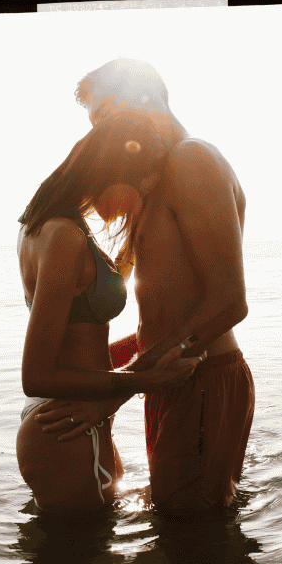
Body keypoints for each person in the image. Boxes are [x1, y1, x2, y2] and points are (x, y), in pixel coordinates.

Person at [34, 58, 253, 514]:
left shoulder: (193, 160)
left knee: (192, 530)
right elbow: (166, 314)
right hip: (169, 377)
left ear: (141, 99)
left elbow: (229, 303)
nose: (97, 133)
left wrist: (121, 390)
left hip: (201, 377)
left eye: (102, 115)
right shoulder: (154, 179)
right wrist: (93, 372)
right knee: (173, 521)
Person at [16, 111, 204, 511]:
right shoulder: (64, 236)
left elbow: (79, 340)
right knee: (83, 551)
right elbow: (36, 375)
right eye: (140, 190)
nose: (138, 205)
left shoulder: (48, 224)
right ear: (115, 173)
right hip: (65, 429)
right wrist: (147, 380)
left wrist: (150, 343)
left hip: (76, 425)